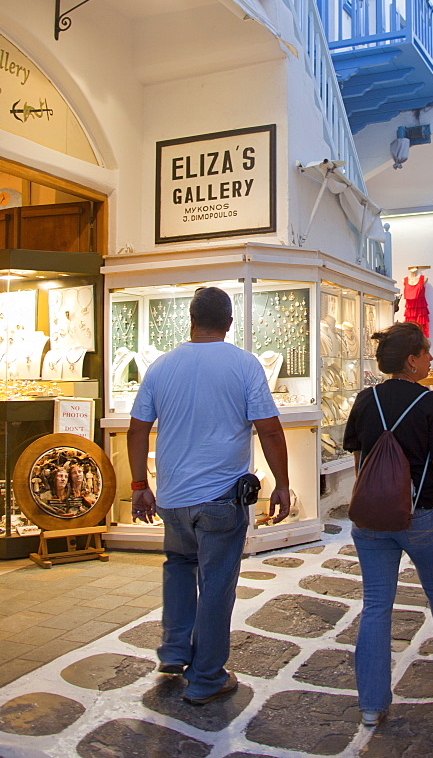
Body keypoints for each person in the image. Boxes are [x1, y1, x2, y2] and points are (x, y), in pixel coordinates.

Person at [127, 286, 290, 705]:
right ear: (230, 323)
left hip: (173, 498)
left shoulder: (161, 367)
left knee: (179, 567)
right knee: (216, 585)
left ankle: (175, 651)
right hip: (220, 499)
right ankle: (206, 678)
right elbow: (269, 429)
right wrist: (283, 483)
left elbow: (137, 430)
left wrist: (139, 487)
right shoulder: (243, 365)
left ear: (191, 320)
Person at [342, 322, 433, 728]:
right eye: (427, 353)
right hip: (421, 516)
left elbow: (360, 460)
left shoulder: (365, 400)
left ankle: (371, 704)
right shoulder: (432, 404)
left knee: (376, 606)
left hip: (373, 520)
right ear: (411, 361)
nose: (431, 359)